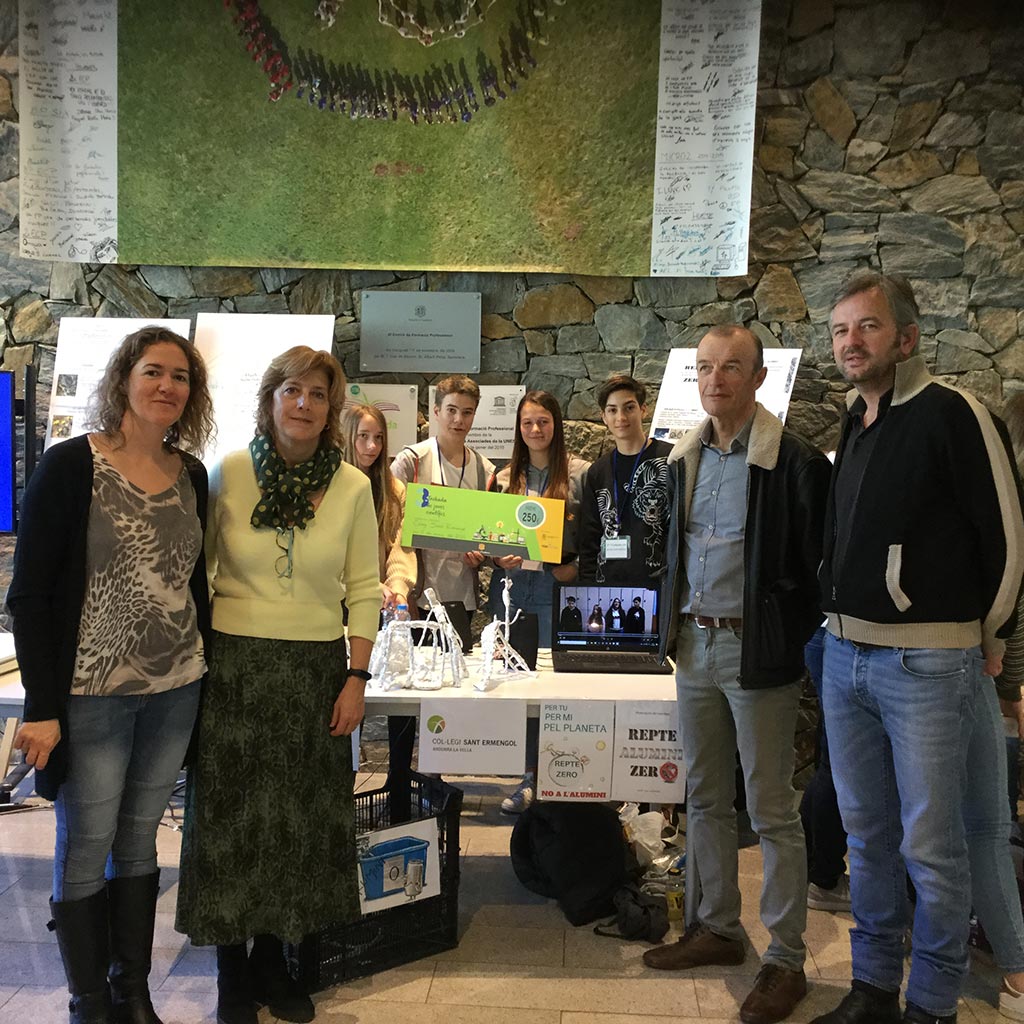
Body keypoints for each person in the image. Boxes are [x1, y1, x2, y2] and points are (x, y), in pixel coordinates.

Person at [812, 271, 1024, 1024]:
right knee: (867, 838)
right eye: (840, 330)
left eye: (866, 327)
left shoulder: (955, 413)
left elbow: (1008, 539)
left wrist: (991, 637)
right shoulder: (855, 419)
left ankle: (931, 1004)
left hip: (927, 662)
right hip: (846, 656)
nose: (850, 342)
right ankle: (872, 988)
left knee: (932, 848)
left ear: (906, 336)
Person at [7, 325, 215, 1024]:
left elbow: (193, 586)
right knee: (87, 843)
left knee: (139, 841)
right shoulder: (72, 465)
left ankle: (133, 991)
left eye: (180, 376)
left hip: (175, 688)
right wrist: (41, 706)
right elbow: (30, 594)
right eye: (153, 371)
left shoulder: (192, 475)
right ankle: (88, 1001)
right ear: (124, 377)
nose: (167, 386)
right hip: (90, 694)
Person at [176, 346, 381, 1024]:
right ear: (270, 400)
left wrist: (356, 678)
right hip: (233, 668)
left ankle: (273, 959)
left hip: (316, 673)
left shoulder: (352, 487)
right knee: (230, 820)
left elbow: (363, 588)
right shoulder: (228, 473)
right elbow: (199, 576)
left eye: (317, 395)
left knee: (296, 822)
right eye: (291, 390)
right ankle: (231, 970)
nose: (303, 404)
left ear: (331, 410)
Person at [644, 325, 830, 1024]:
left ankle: (785, 959)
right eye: (704, 368)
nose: (715, 379)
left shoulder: (795, 462)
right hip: (694, 646)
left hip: (758, 654)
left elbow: (817, 570)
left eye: (731, 368)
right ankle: (717, 927)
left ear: (758, 378)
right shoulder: (683, 458)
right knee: (705, 796)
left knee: (772, 808)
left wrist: (782, 631)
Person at [388, 375, 497, 785]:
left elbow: (488, 532)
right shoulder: (410, 462)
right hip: (413, 595)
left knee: (448, 689)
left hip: (458, 597)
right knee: (405, 693)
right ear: (435, 412)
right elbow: (390, 525)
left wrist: (480, 553)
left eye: (467, 412)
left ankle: (434, 777)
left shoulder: (484, 468)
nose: (458, 420)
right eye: (451, 410)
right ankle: (398, 776)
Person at [487, 390, 590, 814]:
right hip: (511, 595)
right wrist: (497, 557)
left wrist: (575, 567)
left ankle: (561, 781)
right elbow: (487, 536)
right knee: (519, 690)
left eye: (543, 421)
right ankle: (529, 778)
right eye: (527, 422)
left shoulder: (581, 475)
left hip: (556, 596)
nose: (535, 429)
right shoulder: (503, 477)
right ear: (518, 428)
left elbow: (596, 536)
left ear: (556, 424)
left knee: (556, 691)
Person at [962, 389, 1024, 1022]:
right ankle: (1011, 961)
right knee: (983, 824)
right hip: (977, 674)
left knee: (979, 824)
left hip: (979, 673)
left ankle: (1008, 958)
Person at [577, 374, 672, 585]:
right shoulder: (598, 471)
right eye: (612, 410)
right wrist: (588, 587)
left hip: (660, 584)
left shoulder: (670, 460)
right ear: (603, 416)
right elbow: (590, 539)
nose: (621, 417)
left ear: (643, 410)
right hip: (609, 585)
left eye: (629, 408)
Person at [340, 403, 417, 614]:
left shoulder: (395, 490)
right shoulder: (330, 487)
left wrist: (398, 588)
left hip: (382, 602)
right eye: (363, 436)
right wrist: (366, 586)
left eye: (379, 437)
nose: (372, 446)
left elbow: (401, 547)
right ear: (348, 437)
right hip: (335, 599)